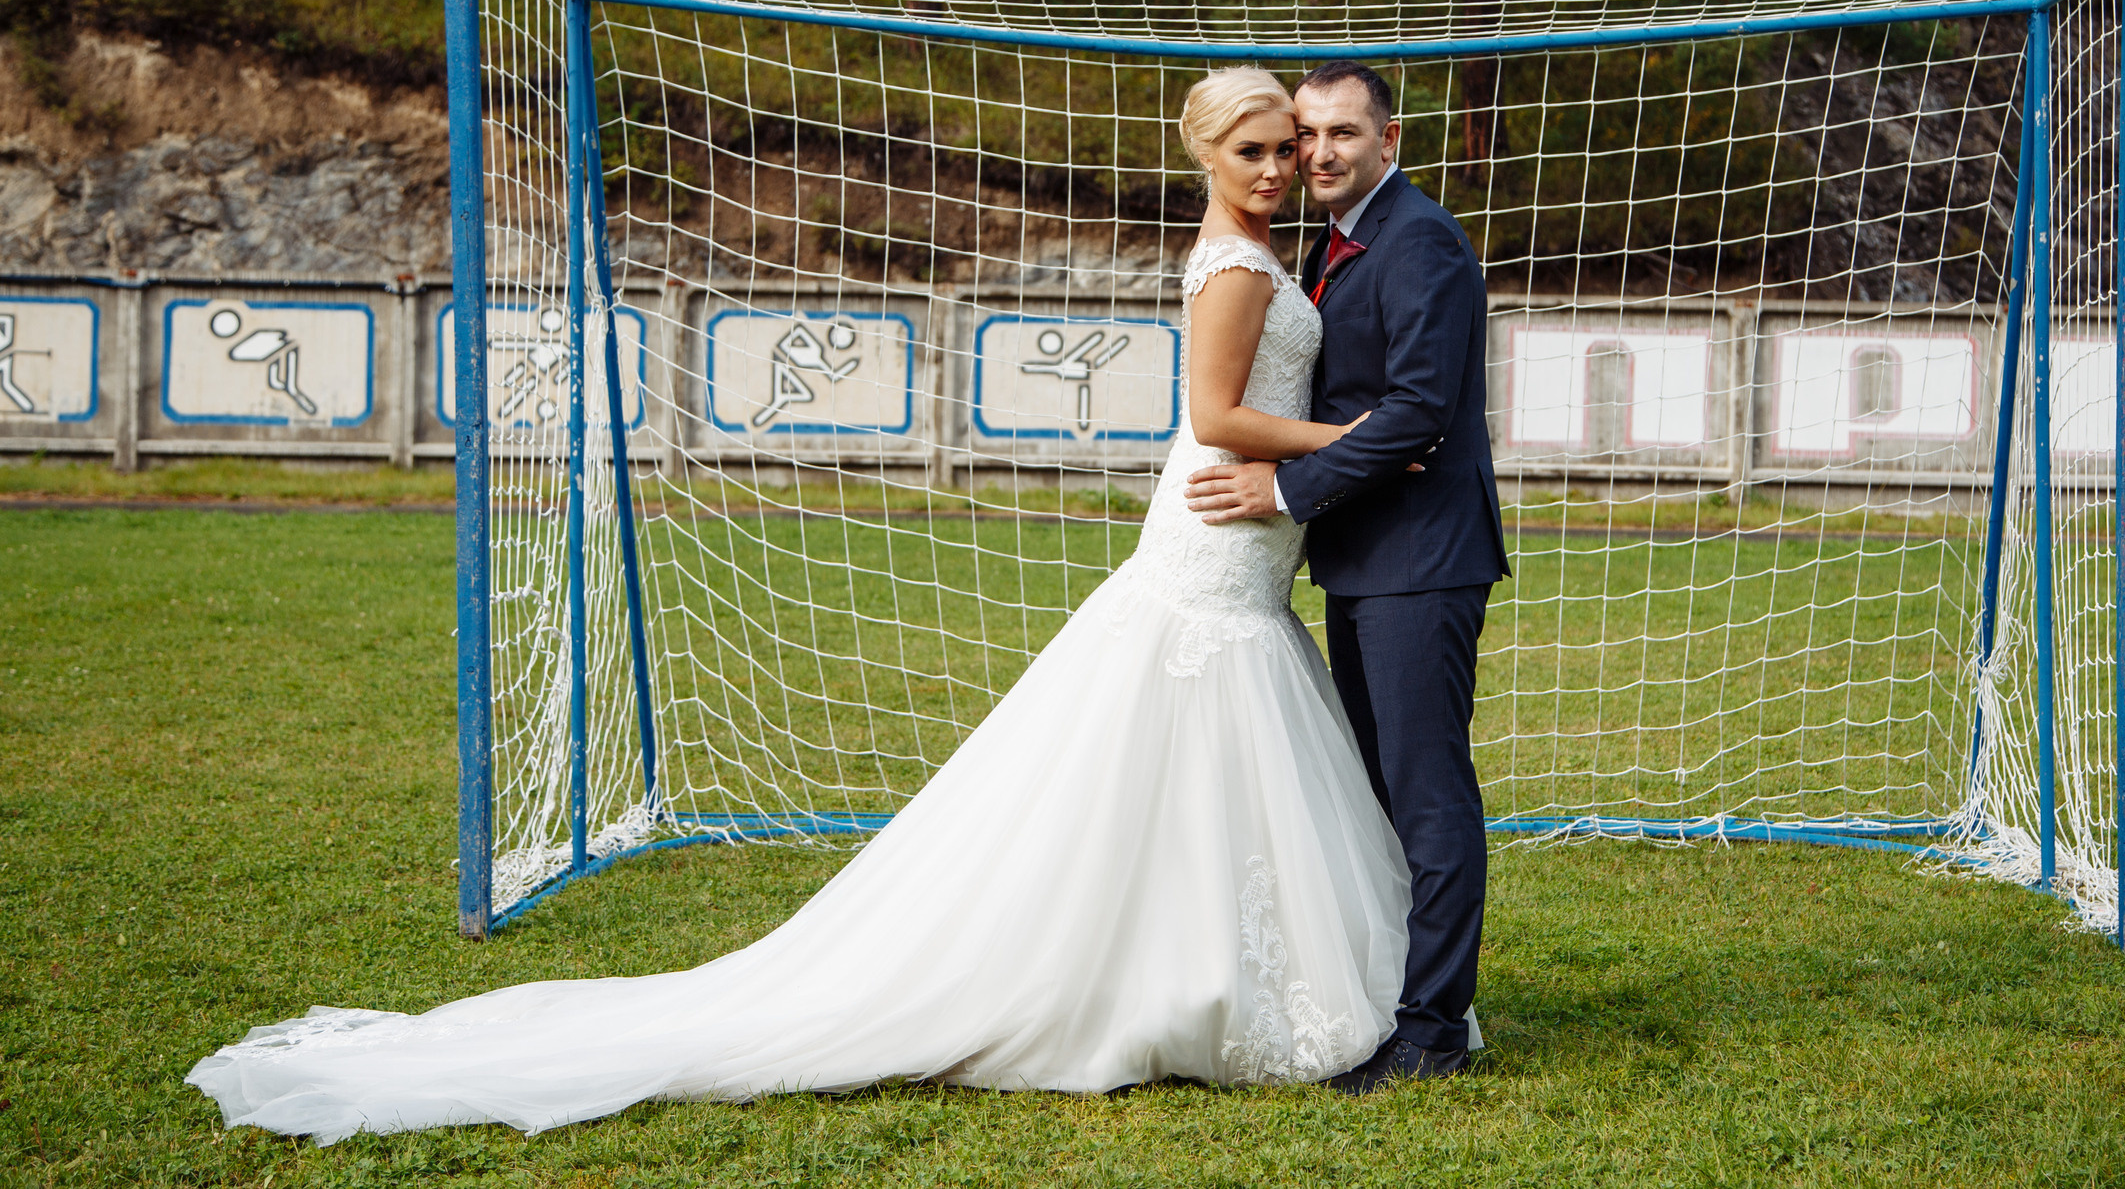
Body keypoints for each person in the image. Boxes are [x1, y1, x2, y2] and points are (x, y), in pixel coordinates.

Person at [186, 67, 1426, 1142]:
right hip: (1213, 533)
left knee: (1196, 760)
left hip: (1245, 537)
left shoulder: (1271, 252)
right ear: (1206, 156)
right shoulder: (1230, 265)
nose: (1277, 167)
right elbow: (1213, 418)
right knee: (1179, 736)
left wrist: (1322, 456)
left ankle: (1198, 971)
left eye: (1288, 148)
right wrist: (1368, 437)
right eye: (1253, 149)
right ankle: (1171, 986)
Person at [1185, 60, 1509, 1093]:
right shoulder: (1326, 243)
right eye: (1302, 135)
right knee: (1374, 790)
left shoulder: (1422, 245)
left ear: (1390, 141)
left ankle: (1432, 1032)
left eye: (1338, 135)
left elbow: (1417, 415)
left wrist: (1283, 489)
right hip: (1362, 562)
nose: (1316, 153)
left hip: (1422, 561)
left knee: (1425, 796)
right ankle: (1388, 998)